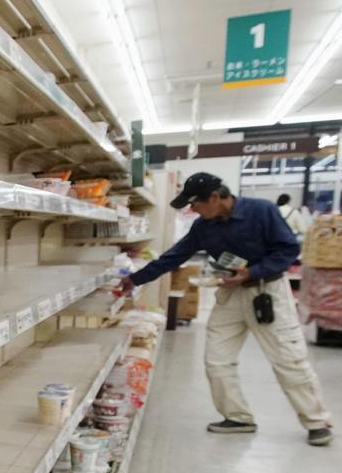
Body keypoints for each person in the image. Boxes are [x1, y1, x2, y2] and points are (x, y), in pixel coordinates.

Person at [117, 172, 332, 446]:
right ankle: (238, 416)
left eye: (195, 204)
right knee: (217, 359)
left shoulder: (261, 211)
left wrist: (252, 271)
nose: (191, 210)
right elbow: (174, 256)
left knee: (288, 359)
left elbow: (288, 250)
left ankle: (316, 421)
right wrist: (134, 279)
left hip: (266, 293)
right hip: (230, 294)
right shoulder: (203, 227)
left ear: (216, 197)